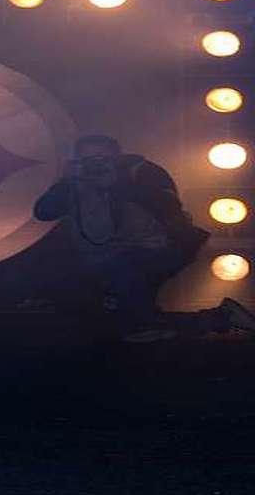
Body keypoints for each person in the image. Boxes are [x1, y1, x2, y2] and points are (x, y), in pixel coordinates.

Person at [34, 134, 255, 341]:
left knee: (126, 295)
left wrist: (119, 185)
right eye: (87, 159)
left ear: (117, 157)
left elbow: (169, 207)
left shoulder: (141, 172)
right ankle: (218, 318)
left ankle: (193, 323)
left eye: (101, 158)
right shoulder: (75, 183)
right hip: (101, 258)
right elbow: (43, 212)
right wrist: (65, 182)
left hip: (151, 252)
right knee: (121, 321)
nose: (95, 165)